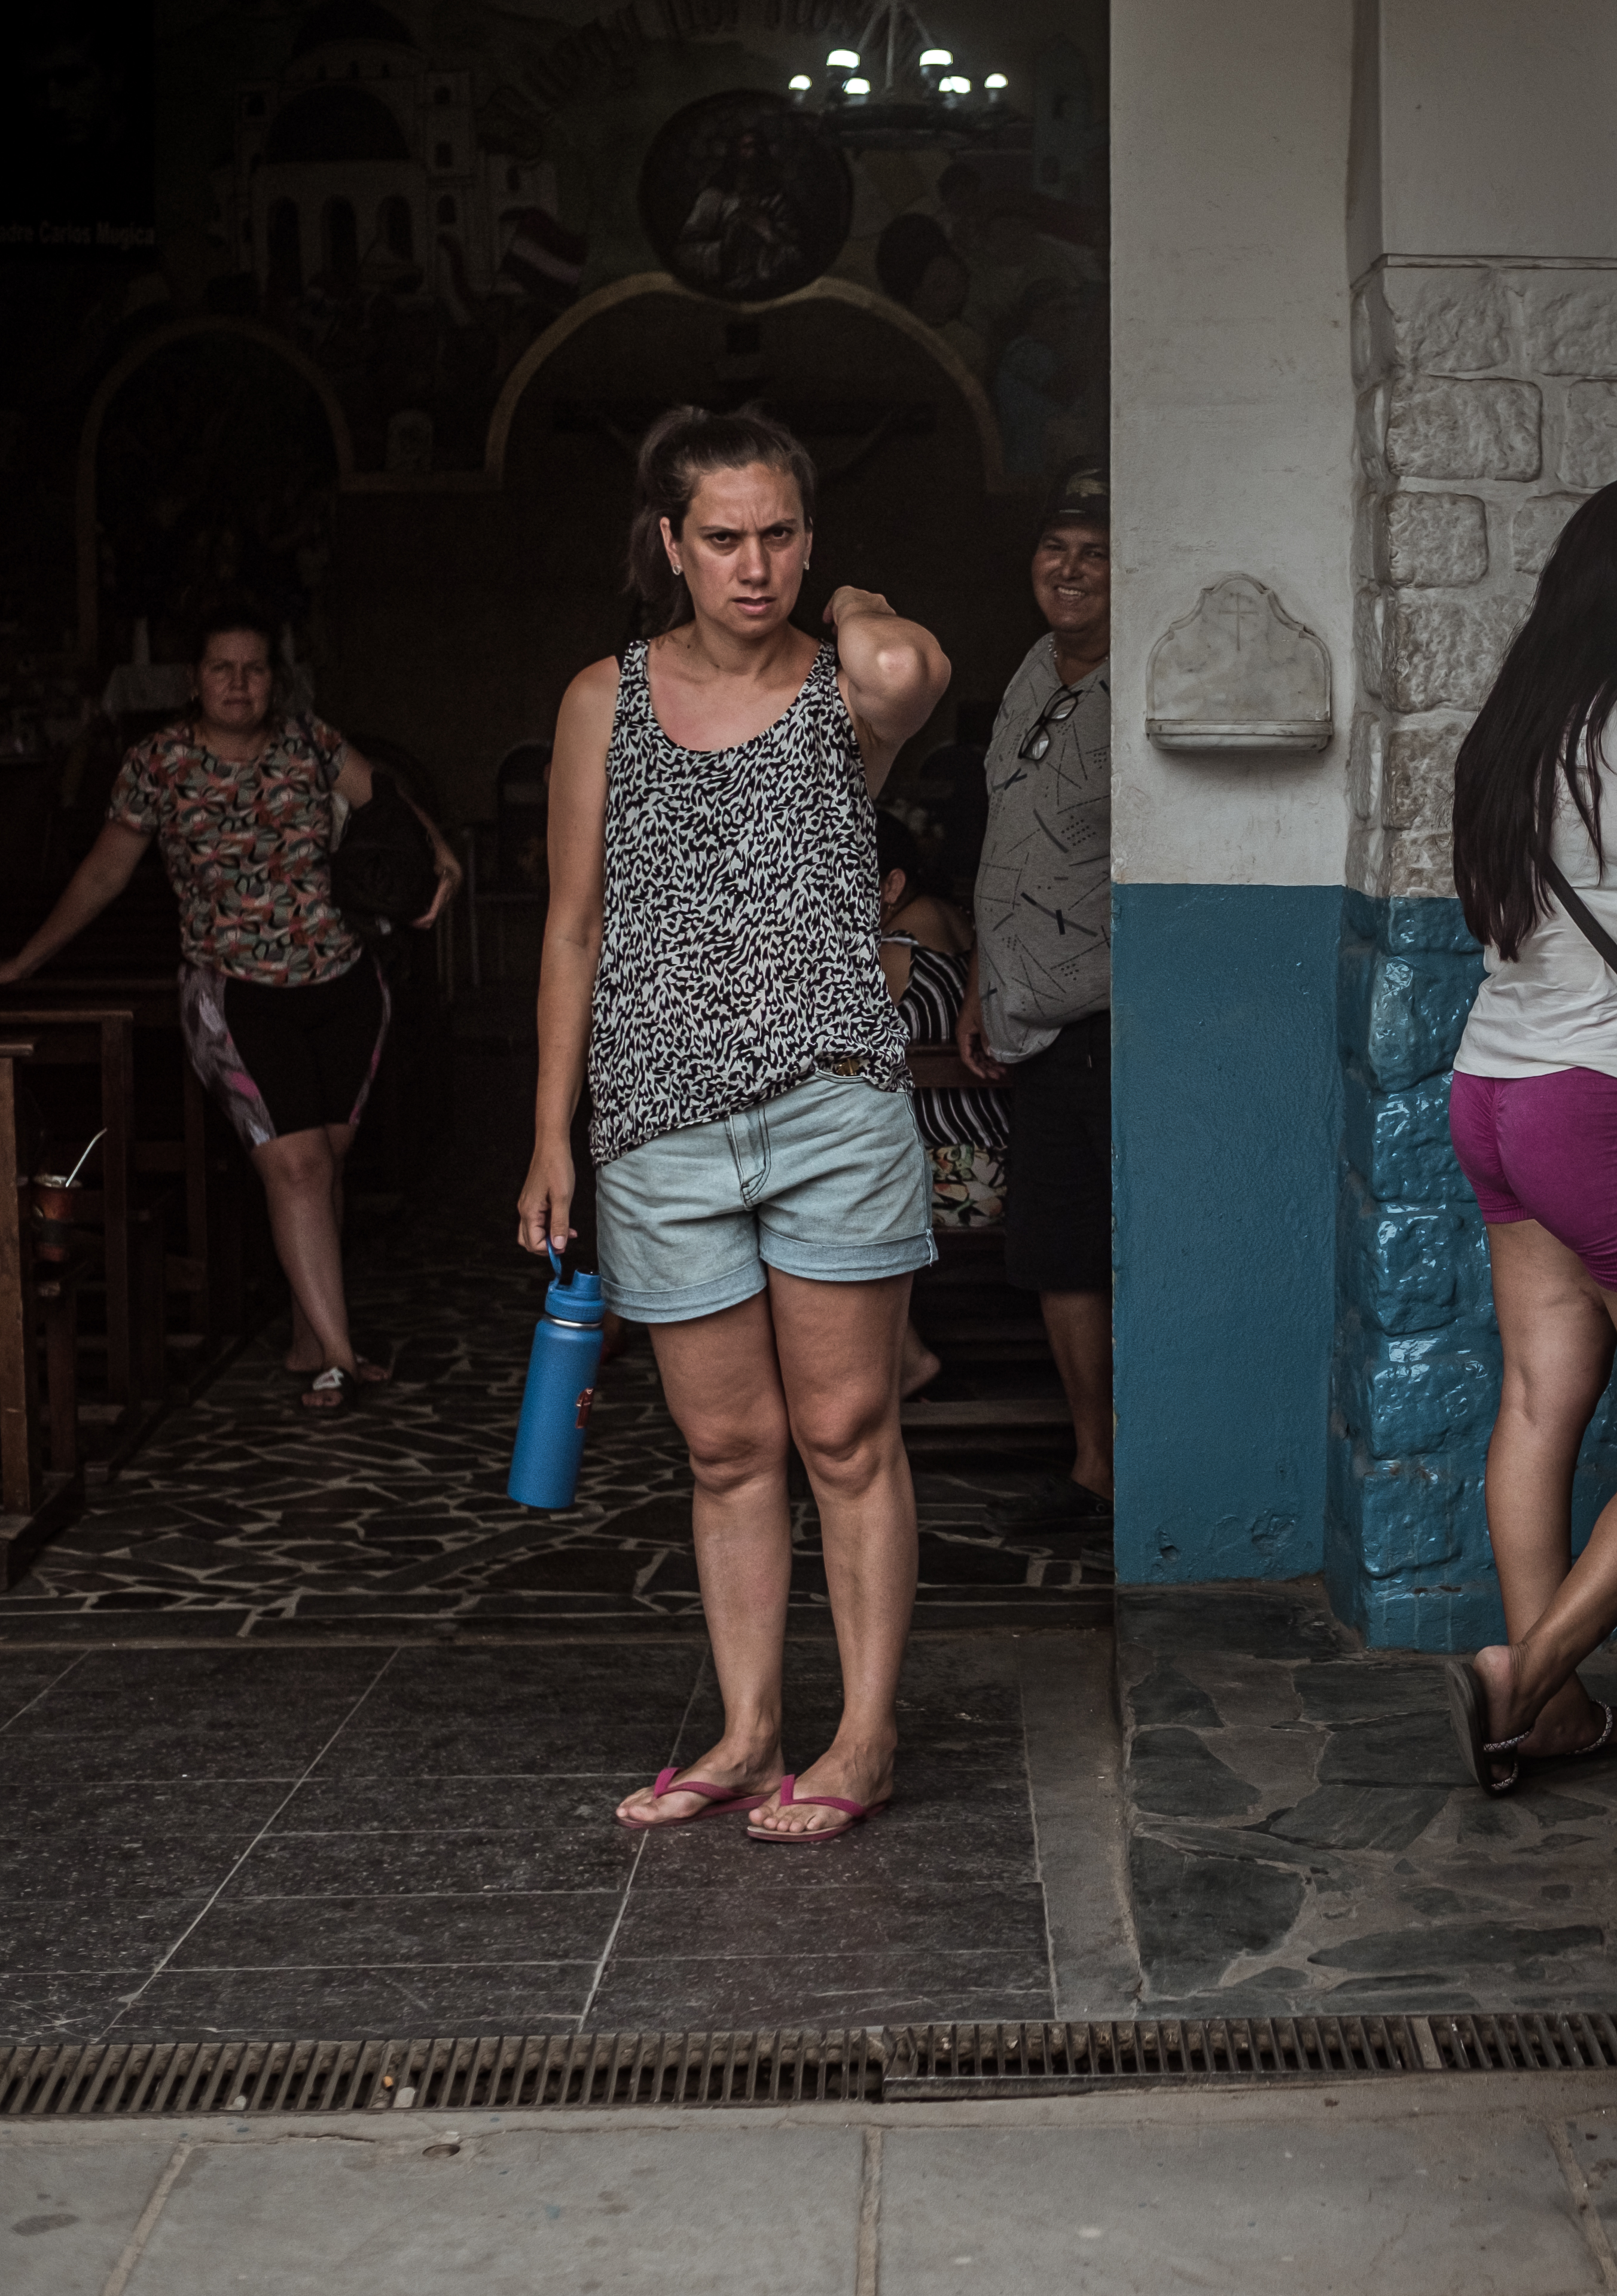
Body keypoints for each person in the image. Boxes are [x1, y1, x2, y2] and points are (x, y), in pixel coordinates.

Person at [517, 405, 950, 1843]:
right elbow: (573, 928)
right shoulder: (604, 699)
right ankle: (752, 1725)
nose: (749, 565)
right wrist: (548, 1134)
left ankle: (864, 1734)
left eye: (777, 536)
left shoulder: (848, 689)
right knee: (724, 1451)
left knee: (847, 1428)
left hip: (832, 1105)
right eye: (721, 537)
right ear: (669, 544)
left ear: (809, 544)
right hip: (657, 1125)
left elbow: (907, 661)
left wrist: (851, 599)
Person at [0, 604, 462, 1409]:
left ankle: (310, 1340)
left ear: (275, 678)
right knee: (301, 1166)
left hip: (342, 984)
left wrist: (438, 848)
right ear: (192, 681)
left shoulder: (308, 740)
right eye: (221, 669)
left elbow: (383, 794)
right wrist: (28, 959)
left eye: (254, 668)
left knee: (323, 1165)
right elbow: (103, 874)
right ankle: (342, 1355)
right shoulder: (158, 762)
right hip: (236, 994)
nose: (239, 684)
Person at [1442, 472, 1617, 1796]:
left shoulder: (1518, 725)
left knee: (1535, 1402)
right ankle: (1526, 1678)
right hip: (1602, 1097)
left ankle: (1557, 1701)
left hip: (1493, 1089)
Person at [957, 466, 1113, 1518]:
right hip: (1029, 1019)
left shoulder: (1134, 684)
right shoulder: (1026, 670)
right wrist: (979, 979)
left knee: (1123, 1240)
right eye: (1057, 546)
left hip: (1111, 1014)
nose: (1072, 568)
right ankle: (1093, 1457)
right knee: (1059, 1247)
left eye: (1096, 551)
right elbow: (1005, 846)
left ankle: (1143, 1458)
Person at [874, 809, 1009, 1394]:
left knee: (812, 1194)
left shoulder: (895, 946)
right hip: (1002, 1163)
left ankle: (905, 1357)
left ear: (892, 885)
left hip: (956, 1175)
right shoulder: (956, 925)